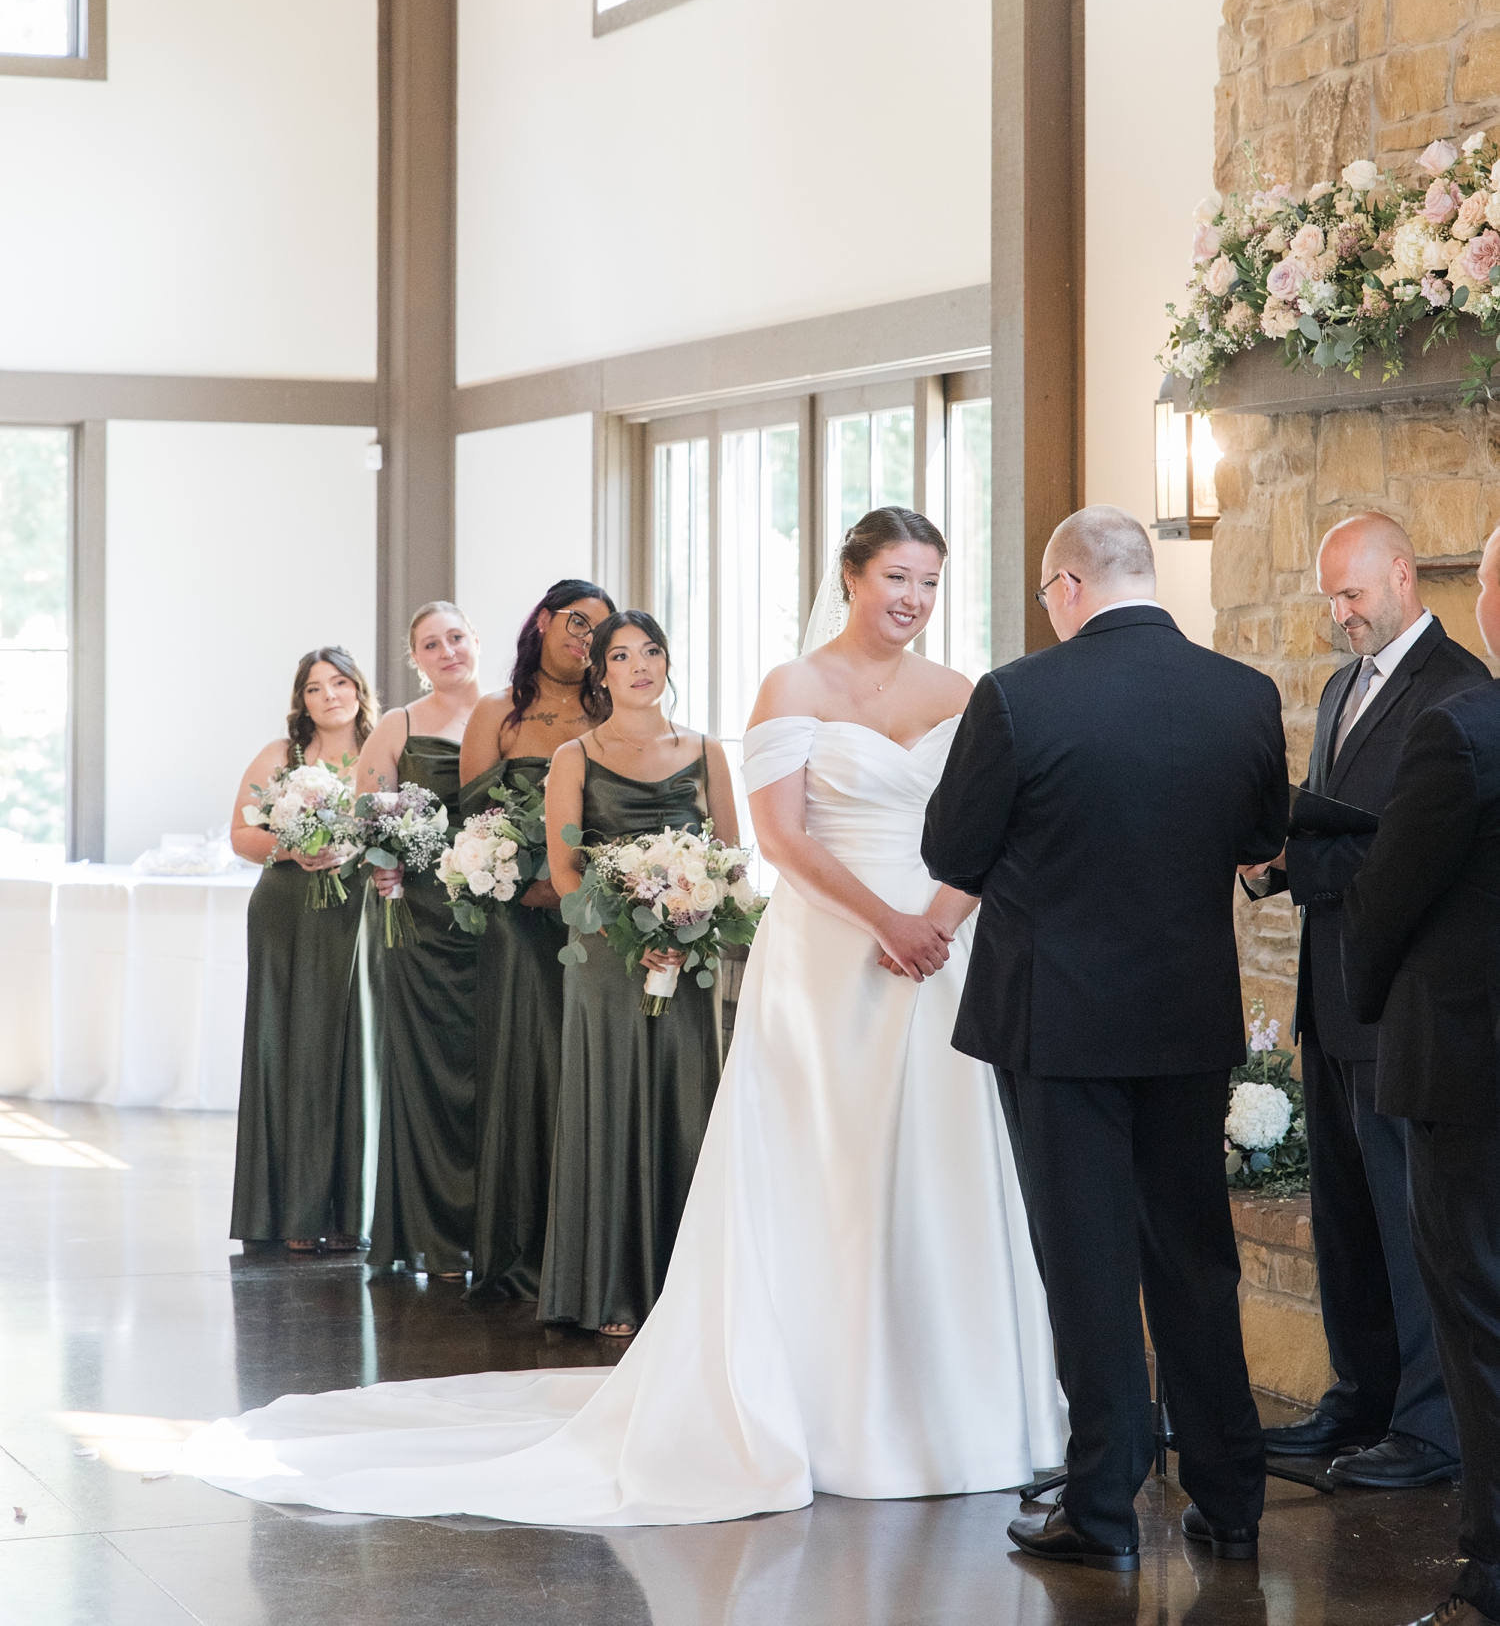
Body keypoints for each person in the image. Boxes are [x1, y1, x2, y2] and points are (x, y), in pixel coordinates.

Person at [181, 506, 1063, 1522]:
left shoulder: (961, 691)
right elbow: (778, 838)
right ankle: (827, 1403)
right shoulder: (793, 687)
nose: (912, 599)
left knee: (944, 1160)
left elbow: (988, 822)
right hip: (835, 944)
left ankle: (970, 1404)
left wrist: (939, 921)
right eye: (896, 576)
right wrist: (886, 921)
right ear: (852, 576)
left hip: (940, 946)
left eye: (930, 582)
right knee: (832, 1164)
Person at [923, 504, 1287, 1573]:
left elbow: (954, 845)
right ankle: (1229, 1495)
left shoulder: (1020, 695)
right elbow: (1260, 840)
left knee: (1086, 1264)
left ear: (1067, 585)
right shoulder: (1242, 692)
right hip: (1186, 1020)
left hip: (1058, 1024)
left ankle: (1102, 1503)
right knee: (1194, 1257)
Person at [1240, 513, 1478, 1486]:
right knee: (1345, 1218)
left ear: (1404, 574)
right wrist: (1274, 862)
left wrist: (1312, 855)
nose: (1340, 614)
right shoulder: (1342, 685)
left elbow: (1412, 854)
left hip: (1402, 999)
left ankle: (1430, 1428)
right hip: (1327, 992)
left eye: (1354, 594)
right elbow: (1334, 814)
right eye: (1330, 597)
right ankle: (1359, 1399)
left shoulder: (1457, 692)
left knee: (1408, 1218)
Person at [1342, 522, 1500, 1626]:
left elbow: (1384, 903)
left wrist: (1363, 995)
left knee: (1481, 1325)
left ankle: (1491, 1575)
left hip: (1469, 1071)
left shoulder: (1465, 731)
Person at [539, 610, 735, 1336]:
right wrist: (631, 934)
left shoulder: (707, 750)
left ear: (668, 660)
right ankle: (614, 1288)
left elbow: (729, 861)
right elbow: (564, 873)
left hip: (686, 956)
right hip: (606, 959)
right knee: (611, 1100)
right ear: (602, 674)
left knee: (688, 1102)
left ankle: (688, 1289)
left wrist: (689, 929)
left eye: (651, 650)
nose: (639, 664)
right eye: (621, 655)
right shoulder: (574, 756)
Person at [456, 579, 614, 1301]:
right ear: (544, 621)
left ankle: (586, 1251)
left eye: (599, 632)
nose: (584, 639)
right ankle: (520, 1251)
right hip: (519, 921)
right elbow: (476, 825)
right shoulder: (497, 712)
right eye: (575, 622)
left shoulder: (610, 712)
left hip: (594, 916)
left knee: (589, 1072)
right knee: (528, 1069)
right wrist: (529, 880)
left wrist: (575, 881)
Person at [228, 647, 377, 1254]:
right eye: (315, 689)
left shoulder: (382, 751)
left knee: (351, 1048)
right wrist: (294, 847)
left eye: (340, 683)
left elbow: (400, 824)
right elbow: (240, 835)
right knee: (286, 1047)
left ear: (359, 689)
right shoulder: (278, 756)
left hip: (356, 910)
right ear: (302, 701)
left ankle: (349, 1212)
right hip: (285, 910)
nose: (330, 696)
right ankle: (289, 1210)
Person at [357, 601, 483, 1280]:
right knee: (425, 1064)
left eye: (456, 637)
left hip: (494, 917)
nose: (447, 651)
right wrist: (386, 863)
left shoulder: (509, 715)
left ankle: (495, 1231)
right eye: (431, 644)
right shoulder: (398, 724)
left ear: (476, 640)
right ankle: (431, 1234)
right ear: (416, 660)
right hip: (420, 919)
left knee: (495, 1064)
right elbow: (367, 812)